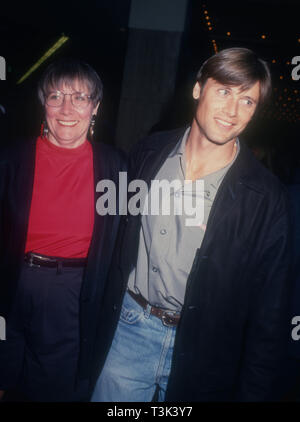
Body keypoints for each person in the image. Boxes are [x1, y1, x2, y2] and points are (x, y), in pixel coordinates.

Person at [90, 48, 291, 402]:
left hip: (205, 350)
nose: (232, 111)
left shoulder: (266, 197)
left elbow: (269, 312)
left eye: (247, 101)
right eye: (225, 91)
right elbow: (114, 242)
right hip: (128, 330)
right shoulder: (148, 153)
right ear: (198, 89)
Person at [0, 58, 126, 402]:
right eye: (56, 96)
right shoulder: (11, 159)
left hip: (70, 294)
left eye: (80, 98)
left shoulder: (115, 168)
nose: (67, 108)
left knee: (52, 389)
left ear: (95, 107)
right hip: (10, 285)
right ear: (44, 104)